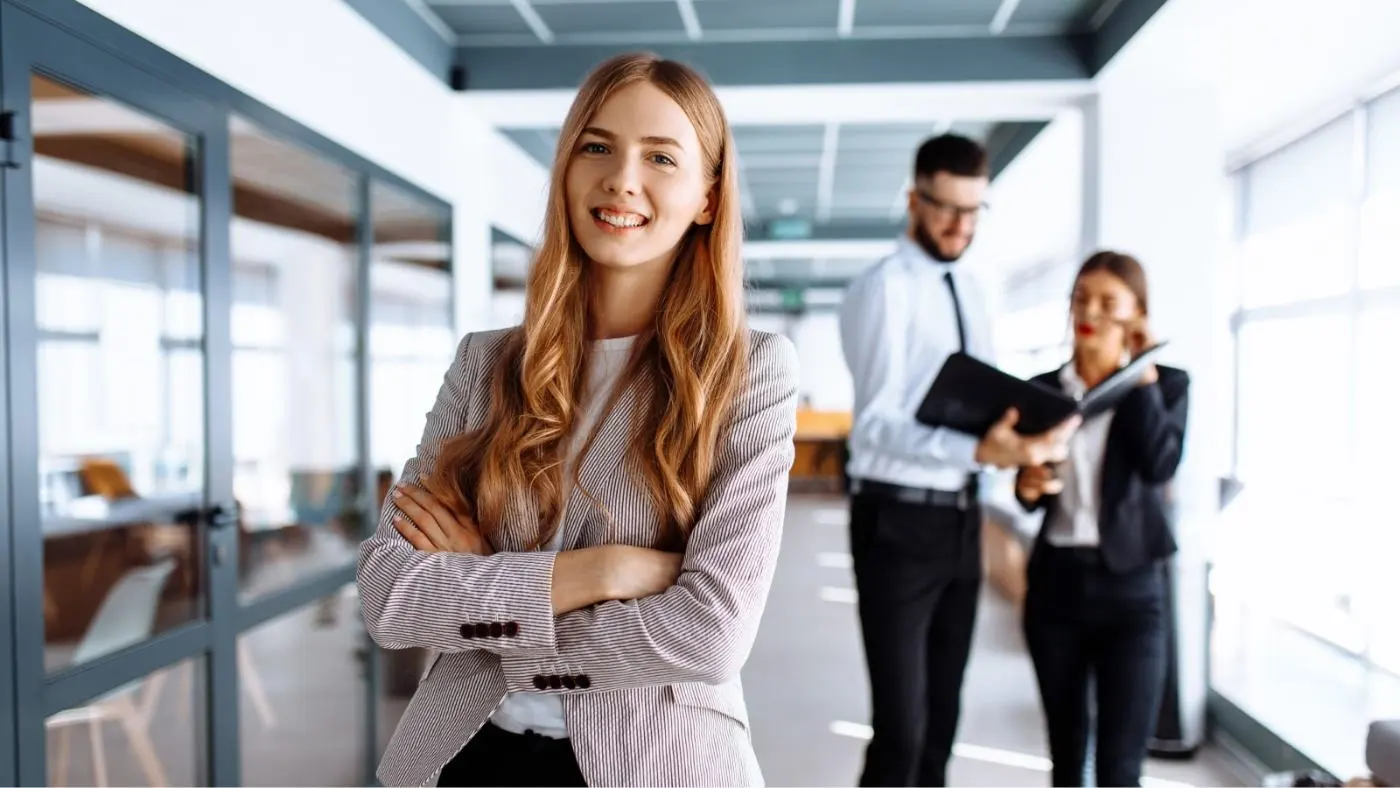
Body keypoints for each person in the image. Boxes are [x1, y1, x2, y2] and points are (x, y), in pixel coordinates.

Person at [357, 52, 799, 788]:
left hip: (657, 763)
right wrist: (604, 572)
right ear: (564, 170)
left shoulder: (749, 371)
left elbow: (710, 634)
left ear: (708, 198)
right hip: (472, 752)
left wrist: (481, 588)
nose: (623, 178)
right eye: (597, 147)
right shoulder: (485, 364)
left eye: (660, 156)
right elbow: (391, 597)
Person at [837, 133, 1080, 787]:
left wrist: (1017, 445)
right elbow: (878, 423)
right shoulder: (881, 289)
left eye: (973, 211)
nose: (959, 225)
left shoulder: (975, 288)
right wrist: (976, 447)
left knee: (943, 720)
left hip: (963, 519)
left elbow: (973, 402)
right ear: (915, 199)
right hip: (896, 523)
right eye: (945, 207)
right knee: (902, 727)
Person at [1015, 251, 1190, 787]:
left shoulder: (1167, 386)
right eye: (1081, 297)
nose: (1090, 310)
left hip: (1133, 592)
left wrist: (1139, 376)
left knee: (1120, 768)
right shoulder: (1043, 388)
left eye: (1108, 302)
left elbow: (1161, 462)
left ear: (1137, 314)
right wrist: (1026, 483)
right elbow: (1030, 495)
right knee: (1066, 761)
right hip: (1056, 587)